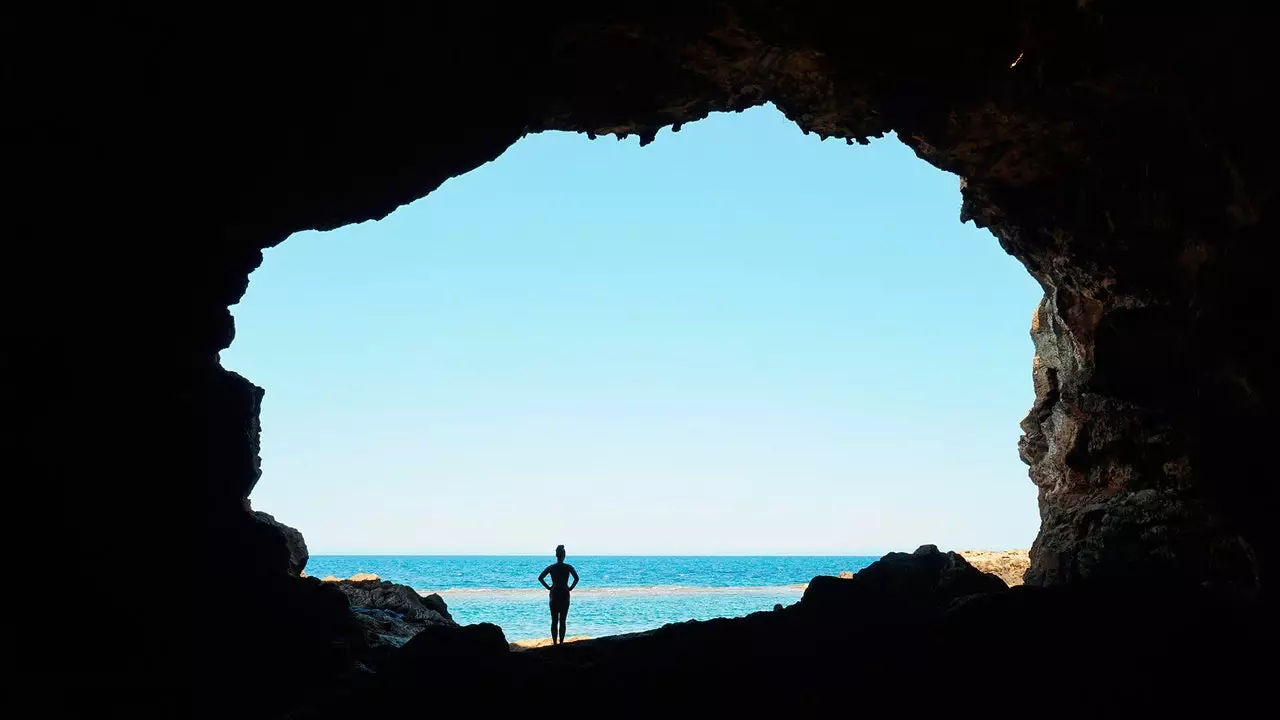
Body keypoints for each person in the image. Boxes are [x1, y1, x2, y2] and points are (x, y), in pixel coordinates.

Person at [538, 545, 579, 645]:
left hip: (554, 593)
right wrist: (570, 588)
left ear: (556, 555)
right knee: (563, 620)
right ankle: (561, 642)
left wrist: (549, 588)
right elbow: (576, 578)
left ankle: (555, 642)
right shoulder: (568, 567)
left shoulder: (552, 567)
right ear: (564, 555)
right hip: (565, 593)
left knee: (554, 620)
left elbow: (540, 578)